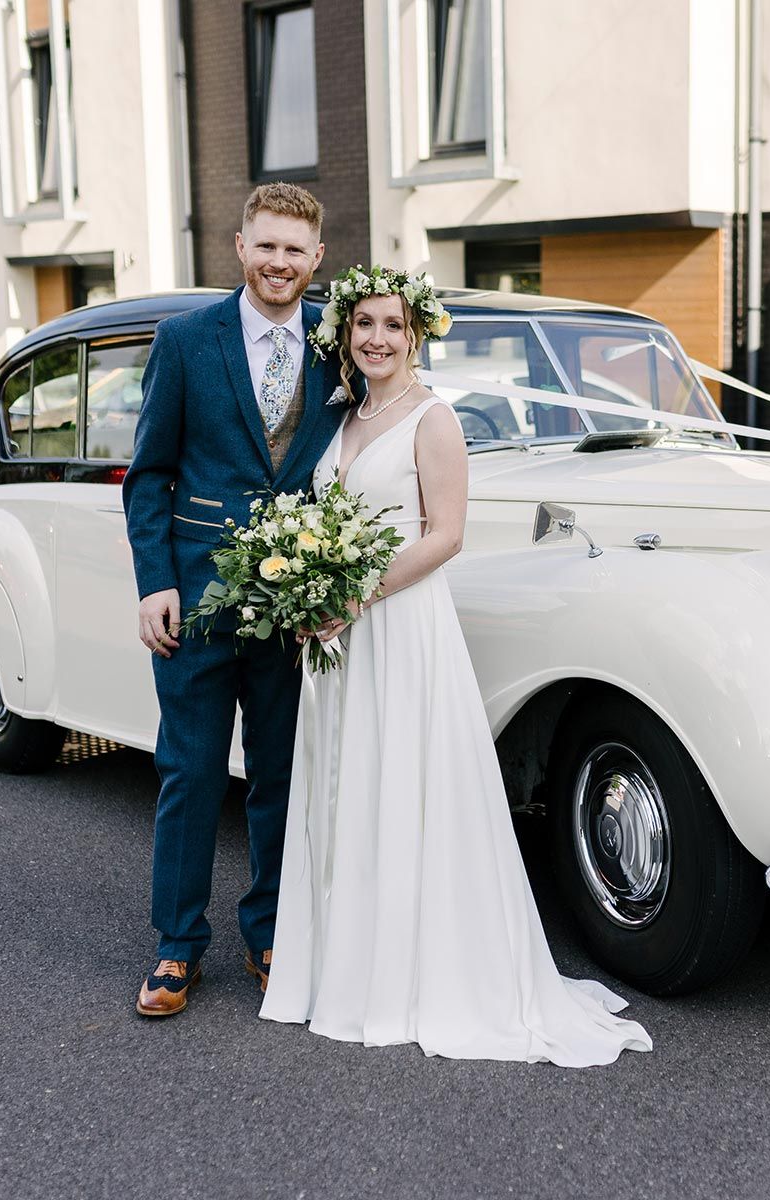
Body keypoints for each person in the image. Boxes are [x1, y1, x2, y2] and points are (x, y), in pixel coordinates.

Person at [259, 266, 653, 1067]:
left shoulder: (433, 419)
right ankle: (350, 970)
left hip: (400, 625)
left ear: (415, 334)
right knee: (348, 787)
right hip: (341, 636)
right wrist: (306, 592)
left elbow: (445, 536)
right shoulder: (341, 416)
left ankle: (418, 974)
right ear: (345, 332)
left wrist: (354, 594)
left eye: (392, 326)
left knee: (403, 784)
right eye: (363, 323)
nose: (376, 338)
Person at [124, 183, 344, 1017]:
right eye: (266, 246)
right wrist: (156, 583)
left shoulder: (339, 345)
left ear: (317, 259)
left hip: (295, 606)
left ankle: (270, 932)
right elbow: (149, 474)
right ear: (240, 246)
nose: (279, 262)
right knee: (189, 771)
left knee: (282, 775)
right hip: (199, 598)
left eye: (296, 250)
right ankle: (177, 946)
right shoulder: (185, 341)